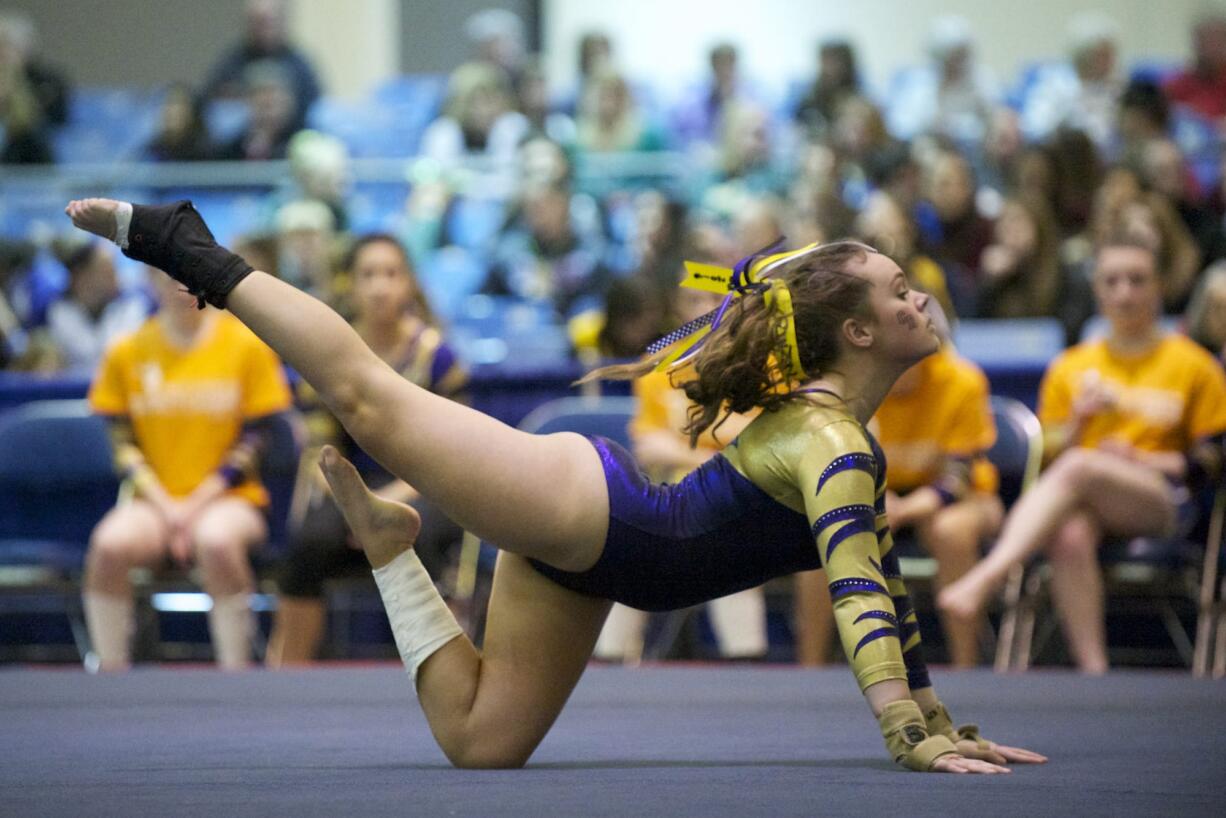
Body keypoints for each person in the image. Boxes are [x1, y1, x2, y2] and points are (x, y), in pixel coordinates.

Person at [66, 196, 1046, 772]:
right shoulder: (834, 442)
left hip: (599, 560)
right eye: (897, 289)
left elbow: (882, 586)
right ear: (862, 332)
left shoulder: (837, 437)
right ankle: (179, 239)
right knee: (370, 398)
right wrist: (900, 735)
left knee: (477, 745)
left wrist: (935, 718)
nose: (921, 295)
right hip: (593, 508)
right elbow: (856, 598)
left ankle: (392, 552)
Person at [939, 237, 1226, 673]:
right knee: (1069, 533)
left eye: (1137, 280)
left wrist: (1145, 460)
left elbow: (1213, 458)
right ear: (1097, 290)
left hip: (1160, 499)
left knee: (1082, 467)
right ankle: (1095, 672)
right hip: (1082, 495)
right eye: (1112, 281)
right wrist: (1076, 423)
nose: (1124, 292)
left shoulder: (1195, 366)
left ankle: (986, 578)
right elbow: (1047, 458)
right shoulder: (1070, 367)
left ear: (1160, 287)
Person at [80, 262, 293, 671]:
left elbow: (255, 443)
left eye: (188, 275)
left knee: (215, 541)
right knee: (107, 545)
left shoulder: (246, 346)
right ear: (150, 281)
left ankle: (236, 674)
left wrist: (195, 505)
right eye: (168, 275)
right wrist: (169, 508)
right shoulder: (126, 351)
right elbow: (122, 447)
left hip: (230, 499)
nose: (179, 286)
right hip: (154, 502)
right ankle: (109, 674)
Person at [267, 234, 467, 666]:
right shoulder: (327, 354)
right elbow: (320, 449)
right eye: (368, 275)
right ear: (351, 285)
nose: (380, 286)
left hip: (423, 488)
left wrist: (385, 505)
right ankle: (287, 675)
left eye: (391, 274)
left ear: (410, 284)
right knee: (310, 540)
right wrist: (358, 505)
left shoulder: (438, 357)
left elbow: (451, 453)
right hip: (349, 487)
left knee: (422, 535)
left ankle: (442, 676)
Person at [595, 284, 766, 663]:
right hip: (674, 494)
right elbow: (647, 446)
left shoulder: (760, 364)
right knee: (633, 537)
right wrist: (714, 452)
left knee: (728, 535)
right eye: (695, 300)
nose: (706, 309)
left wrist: (684, 450)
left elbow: (761, 445)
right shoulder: (660, 362)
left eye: (716, 301)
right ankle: (607, 662)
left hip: (745, 494)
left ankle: (747, 660)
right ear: (677, 307)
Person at [867, 308, 1003, 668]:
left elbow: (956, 479)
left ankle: (965, 667)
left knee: (950, 530)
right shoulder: (858, 383)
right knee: (826, 526)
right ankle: (811, 665)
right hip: (879, 494)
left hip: (961, 497)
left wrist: (902, 510)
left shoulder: (962, 381)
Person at [202, 0, 321, 131]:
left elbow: (315, 107)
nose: (262, 28)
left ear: (281, 22)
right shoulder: (230, 64)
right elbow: (208, 102)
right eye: (256, 21)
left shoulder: (299, 66)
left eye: (267, 21)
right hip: (241, 143)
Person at [45, 239, 148, 374]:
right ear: (81, 278)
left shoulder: (133, 306)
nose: (115, 278)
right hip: (73, 391)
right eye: (106, 272)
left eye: (114, 270)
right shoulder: (57, 312)